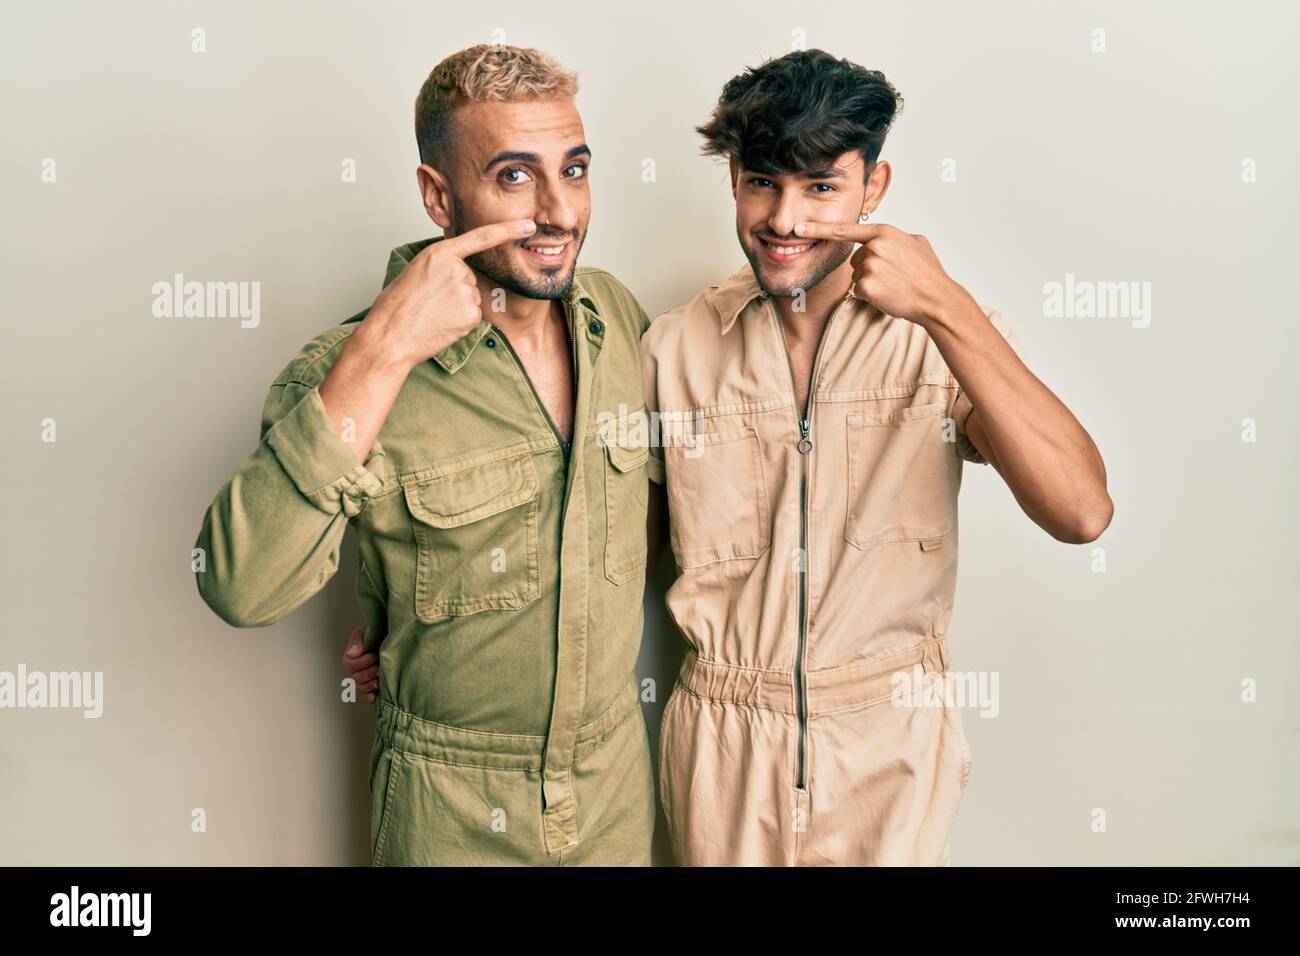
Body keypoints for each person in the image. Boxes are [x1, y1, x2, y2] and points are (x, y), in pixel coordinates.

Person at [640, 48, 1112, 865]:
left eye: (821, 186)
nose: (786, 219)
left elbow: (1082, 511)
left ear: (875, 189)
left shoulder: (941, 338)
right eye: (763, 182)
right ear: (735, 183)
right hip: (721, 740)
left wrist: (943, 305)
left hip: (890, 737)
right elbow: (612, 561)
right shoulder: (672, 349)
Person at [195, 44, 658, 866]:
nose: (559, 212)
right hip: (449, 808)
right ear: (439, 195)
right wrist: (380, 354)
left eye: (575, 170)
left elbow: (625, 519)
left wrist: (421, 613)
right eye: (515, 176)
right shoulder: (347, 368)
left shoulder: (615, 318)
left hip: (614, 789)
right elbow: (241, 586)